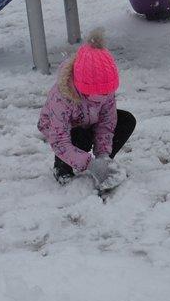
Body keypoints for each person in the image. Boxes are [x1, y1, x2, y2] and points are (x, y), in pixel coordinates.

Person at [37, 30, 136, 191]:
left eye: (106, 93)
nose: (103, 97)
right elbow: (59, 140)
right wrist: (88, 163)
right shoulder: (61, 97)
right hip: (64, 132)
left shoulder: (105, 89)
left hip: (90, 121)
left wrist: (103, 155)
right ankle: (62, 168)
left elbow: (107, 123)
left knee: (126, 120)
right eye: (97, 95)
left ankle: (104, 165)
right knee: (79, 137)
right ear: (81, 85)